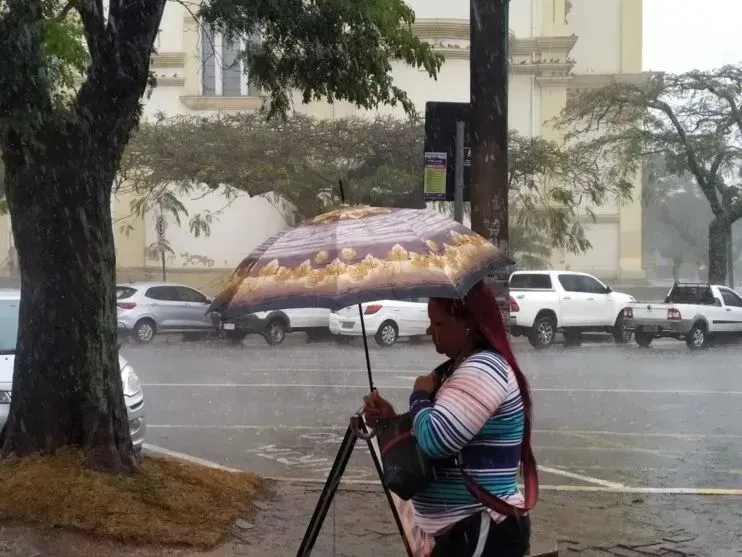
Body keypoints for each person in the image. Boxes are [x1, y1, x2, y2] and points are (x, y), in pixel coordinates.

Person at [363, 281, 537, 557]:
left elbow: (436, 440)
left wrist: (419, 396)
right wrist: (391, 421)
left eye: (440, 323)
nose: (430, 330)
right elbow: (441, 429)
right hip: (463, 532)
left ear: (468, 324)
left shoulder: (484, 368)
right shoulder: (458, 367)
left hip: (482, 528)